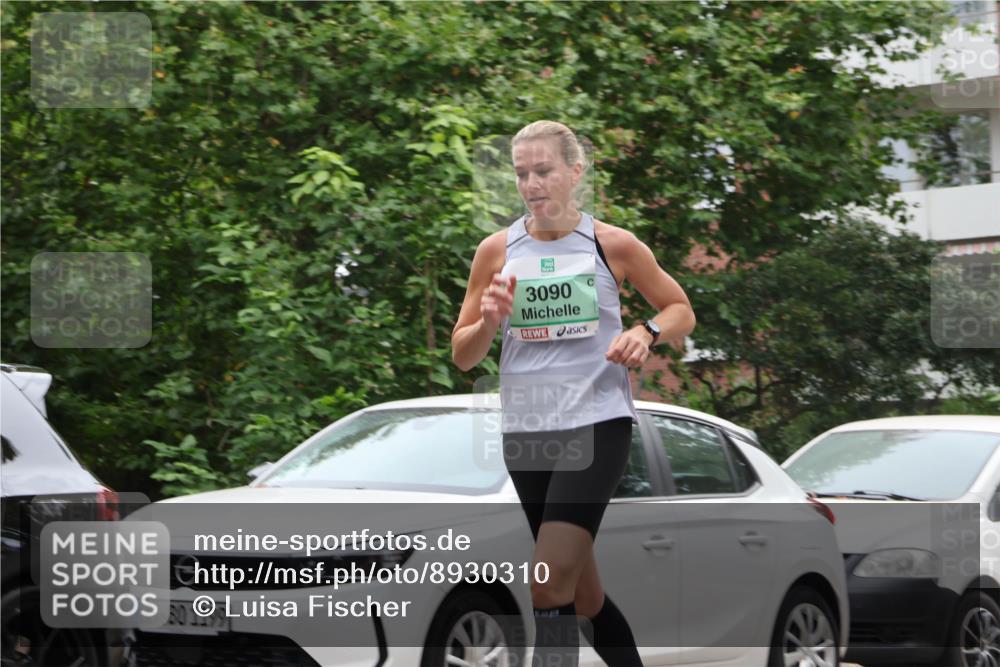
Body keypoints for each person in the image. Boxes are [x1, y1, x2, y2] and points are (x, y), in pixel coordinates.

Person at [451, 120, 696, 667]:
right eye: (521, 174)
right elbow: (464, 355)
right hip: (527, 431)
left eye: (544, 171)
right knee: (580, 595)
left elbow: (681, 309)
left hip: (596, 423)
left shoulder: (613, 245)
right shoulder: (495, 251)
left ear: (575, 172)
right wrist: (489, 321)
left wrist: (645, 331)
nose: (532, 184)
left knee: (545, 584)